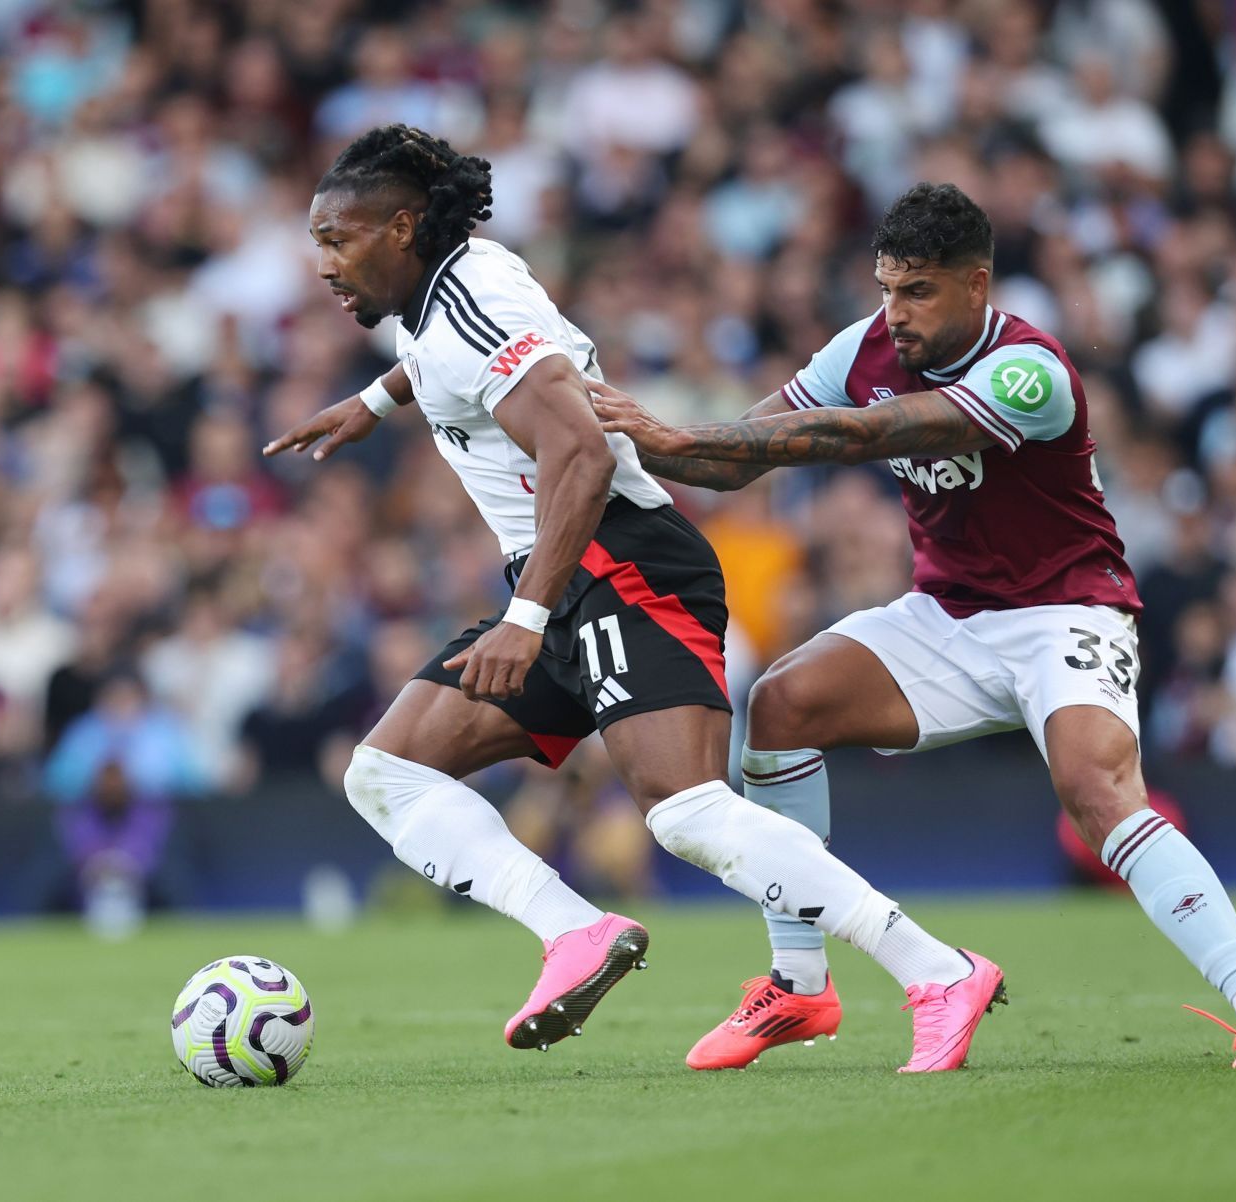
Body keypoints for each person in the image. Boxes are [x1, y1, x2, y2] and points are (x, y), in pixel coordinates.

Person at [269, 126, 996, 1065]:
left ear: (403, 227)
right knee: (386, 770)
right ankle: (575, 933)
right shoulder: (443, 289)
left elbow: (576, 448)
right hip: (567, 572)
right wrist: (373, 404)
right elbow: (441, 355)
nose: (323, 264)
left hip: (618, 559)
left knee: (685, 810)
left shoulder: (471, 303)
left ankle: (936, 970)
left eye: (338, 240)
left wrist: (527, 620)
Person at [595, 183, 1236, 1071]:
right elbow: (741, 455)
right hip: (948, 614)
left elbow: (874, 433)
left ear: (976, 285)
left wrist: (675, 437)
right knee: (782, 705)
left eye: (918, 292)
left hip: (1066, 609)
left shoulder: (1031, 371)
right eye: (886, 289)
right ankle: (797, 986)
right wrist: (633, 448)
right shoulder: (862, 346)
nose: (894, 314)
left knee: (1097, 791)